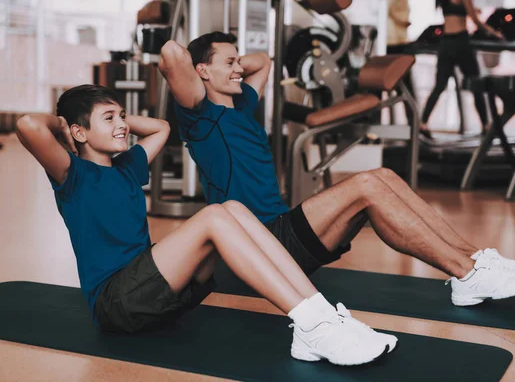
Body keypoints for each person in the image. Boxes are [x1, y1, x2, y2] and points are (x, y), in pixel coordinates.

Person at [159, 32, 515, 310]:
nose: (240, 68)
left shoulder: (241, 103)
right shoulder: (199, 116)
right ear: (202, 72)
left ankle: (476, 262)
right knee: (365, 186)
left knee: (382, 178)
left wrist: (231, 64)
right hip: (261, 239)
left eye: (237, 61)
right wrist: (207, 69)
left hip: (280, 227)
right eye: (228, 62)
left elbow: (266, 63)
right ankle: (466, 272)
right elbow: (172, 54)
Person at [15, 84, 396, 366]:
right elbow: (29, 124)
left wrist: (116, 118)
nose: (123, 126)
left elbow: (162, 127)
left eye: (123, 117)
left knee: (232, 207)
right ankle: (312, 325)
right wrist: (66, 126)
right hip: (117, 303)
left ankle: (321, 315)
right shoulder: (72, 175)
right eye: (110, 119)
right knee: (214, 216)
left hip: (154, 292)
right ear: (78, 133)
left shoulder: (128, 166)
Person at [420, 0, 504, 139]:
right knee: (475, 84)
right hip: (460, 42)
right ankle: (486, 124)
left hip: (445, 43)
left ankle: (422, 123)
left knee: (439, 85)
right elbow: (474, 19)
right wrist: (493, 32)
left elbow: (456, 14)